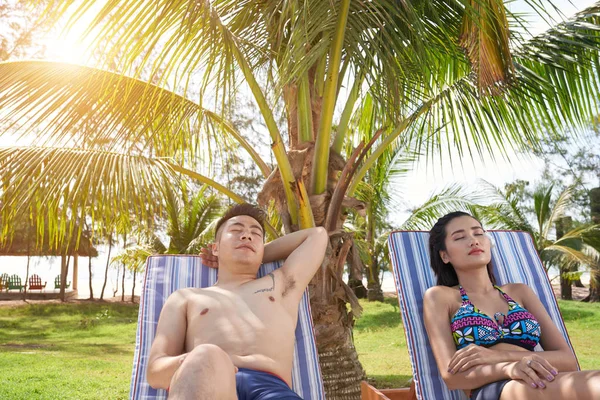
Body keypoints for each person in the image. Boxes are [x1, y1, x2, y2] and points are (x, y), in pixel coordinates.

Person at [146, 203, 328, 399]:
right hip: (208, 381)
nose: (247, 236)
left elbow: (317, 236)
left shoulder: (281, 284)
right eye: (236, 230)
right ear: (215, 248)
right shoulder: (186, 298)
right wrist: (199, 360)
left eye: (255, 234)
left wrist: (252, 252)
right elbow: (155, 372)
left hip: (271, 389)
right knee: (206, 354)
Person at [423, 211, 600, 400]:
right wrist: (509, 368)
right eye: (459, 237)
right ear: (444, 256)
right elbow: (452, 377)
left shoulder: (519, 292)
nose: (473, 241)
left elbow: (568, 360)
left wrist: (496, 356)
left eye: (478, 233)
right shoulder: (440, 296)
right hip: (494, 389)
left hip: (543, 379)